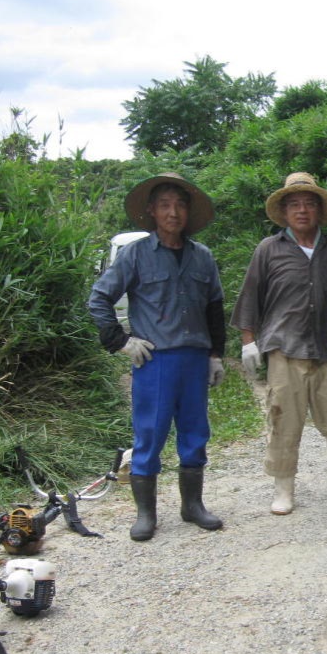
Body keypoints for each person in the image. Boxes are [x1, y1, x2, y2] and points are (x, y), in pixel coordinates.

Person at [88, 172, 227, 541]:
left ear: (189, 211)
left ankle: (192, 506)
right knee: (149, 434)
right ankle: (146, 514)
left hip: (195, 360)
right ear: (151, 211)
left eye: (180, 204)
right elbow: (99, 298)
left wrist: (216, 355)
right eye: (165, 205)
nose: (173, 212)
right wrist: (120, 341)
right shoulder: (135, 255)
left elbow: (215, 308)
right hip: (155, 361)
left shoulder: (203, 258)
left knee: (196, 433)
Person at [231, 172, 327, 515]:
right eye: (294, 205)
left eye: (309, 204)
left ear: (319, 210)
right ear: (284, 212)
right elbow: (250, 296)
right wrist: (248, 342)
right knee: (284, 419)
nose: (302, 211)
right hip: (283, 349)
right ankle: (284, 490)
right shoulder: (268, 249)